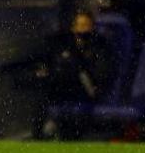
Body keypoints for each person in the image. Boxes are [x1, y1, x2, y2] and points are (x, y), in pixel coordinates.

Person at [34, 11, 114, 139]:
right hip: (64, 89)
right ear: (74, 28)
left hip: (89, 89)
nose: (84, 29)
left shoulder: (100, 45)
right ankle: (41, 133)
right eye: (81, 25)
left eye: (87, 25)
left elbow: (102, 73)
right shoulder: (65, 45)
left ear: (93, 27)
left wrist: (81, 68)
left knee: (70, 67)